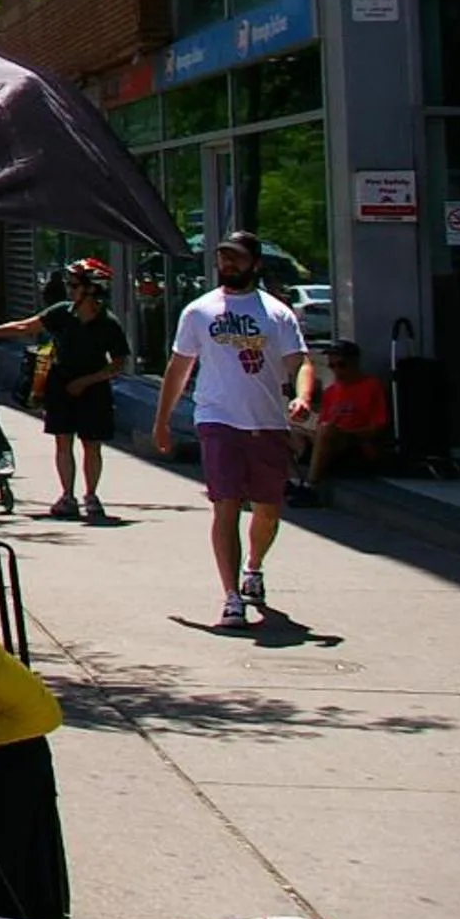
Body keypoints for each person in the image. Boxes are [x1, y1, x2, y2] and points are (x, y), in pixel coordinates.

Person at [153, 230, 314, 628]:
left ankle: (253, 568)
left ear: (255, 264)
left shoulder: (277, 314)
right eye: (223, 257)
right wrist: (162, 421)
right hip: (217, 419)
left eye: (236, 258)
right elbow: (178, 368)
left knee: (268, 510)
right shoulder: (199, 311)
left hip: (267, 421)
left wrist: (303, 396)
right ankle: (231, 598)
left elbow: (301, 363)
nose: (228, 264)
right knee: (225, 504)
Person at [0, 256, 131, 522]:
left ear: (92, 289)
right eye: (69, 284)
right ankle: (67, 496)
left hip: (93, 390)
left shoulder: (108, 323)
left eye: (75, 285)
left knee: (92, 445)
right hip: (61, 384)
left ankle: (91, 496)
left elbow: (119, 364)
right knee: (62, 441)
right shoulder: (61, 313)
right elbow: (25, 326)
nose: (70, 289)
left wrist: (86, 381)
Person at [290, 339, 390, 505]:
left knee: (327, 429)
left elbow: (379, 426)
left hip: (356, 447)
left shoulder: (371, 386)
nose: (337, 370)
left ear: (354, 363)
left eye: (341, 365)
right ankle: (293, 481)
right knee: (284, 432)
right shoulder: (331, 391)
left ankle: (311, 486)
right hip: (329, 442)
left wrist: (343, 433)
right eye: (332, 366)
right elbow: (322, 425)